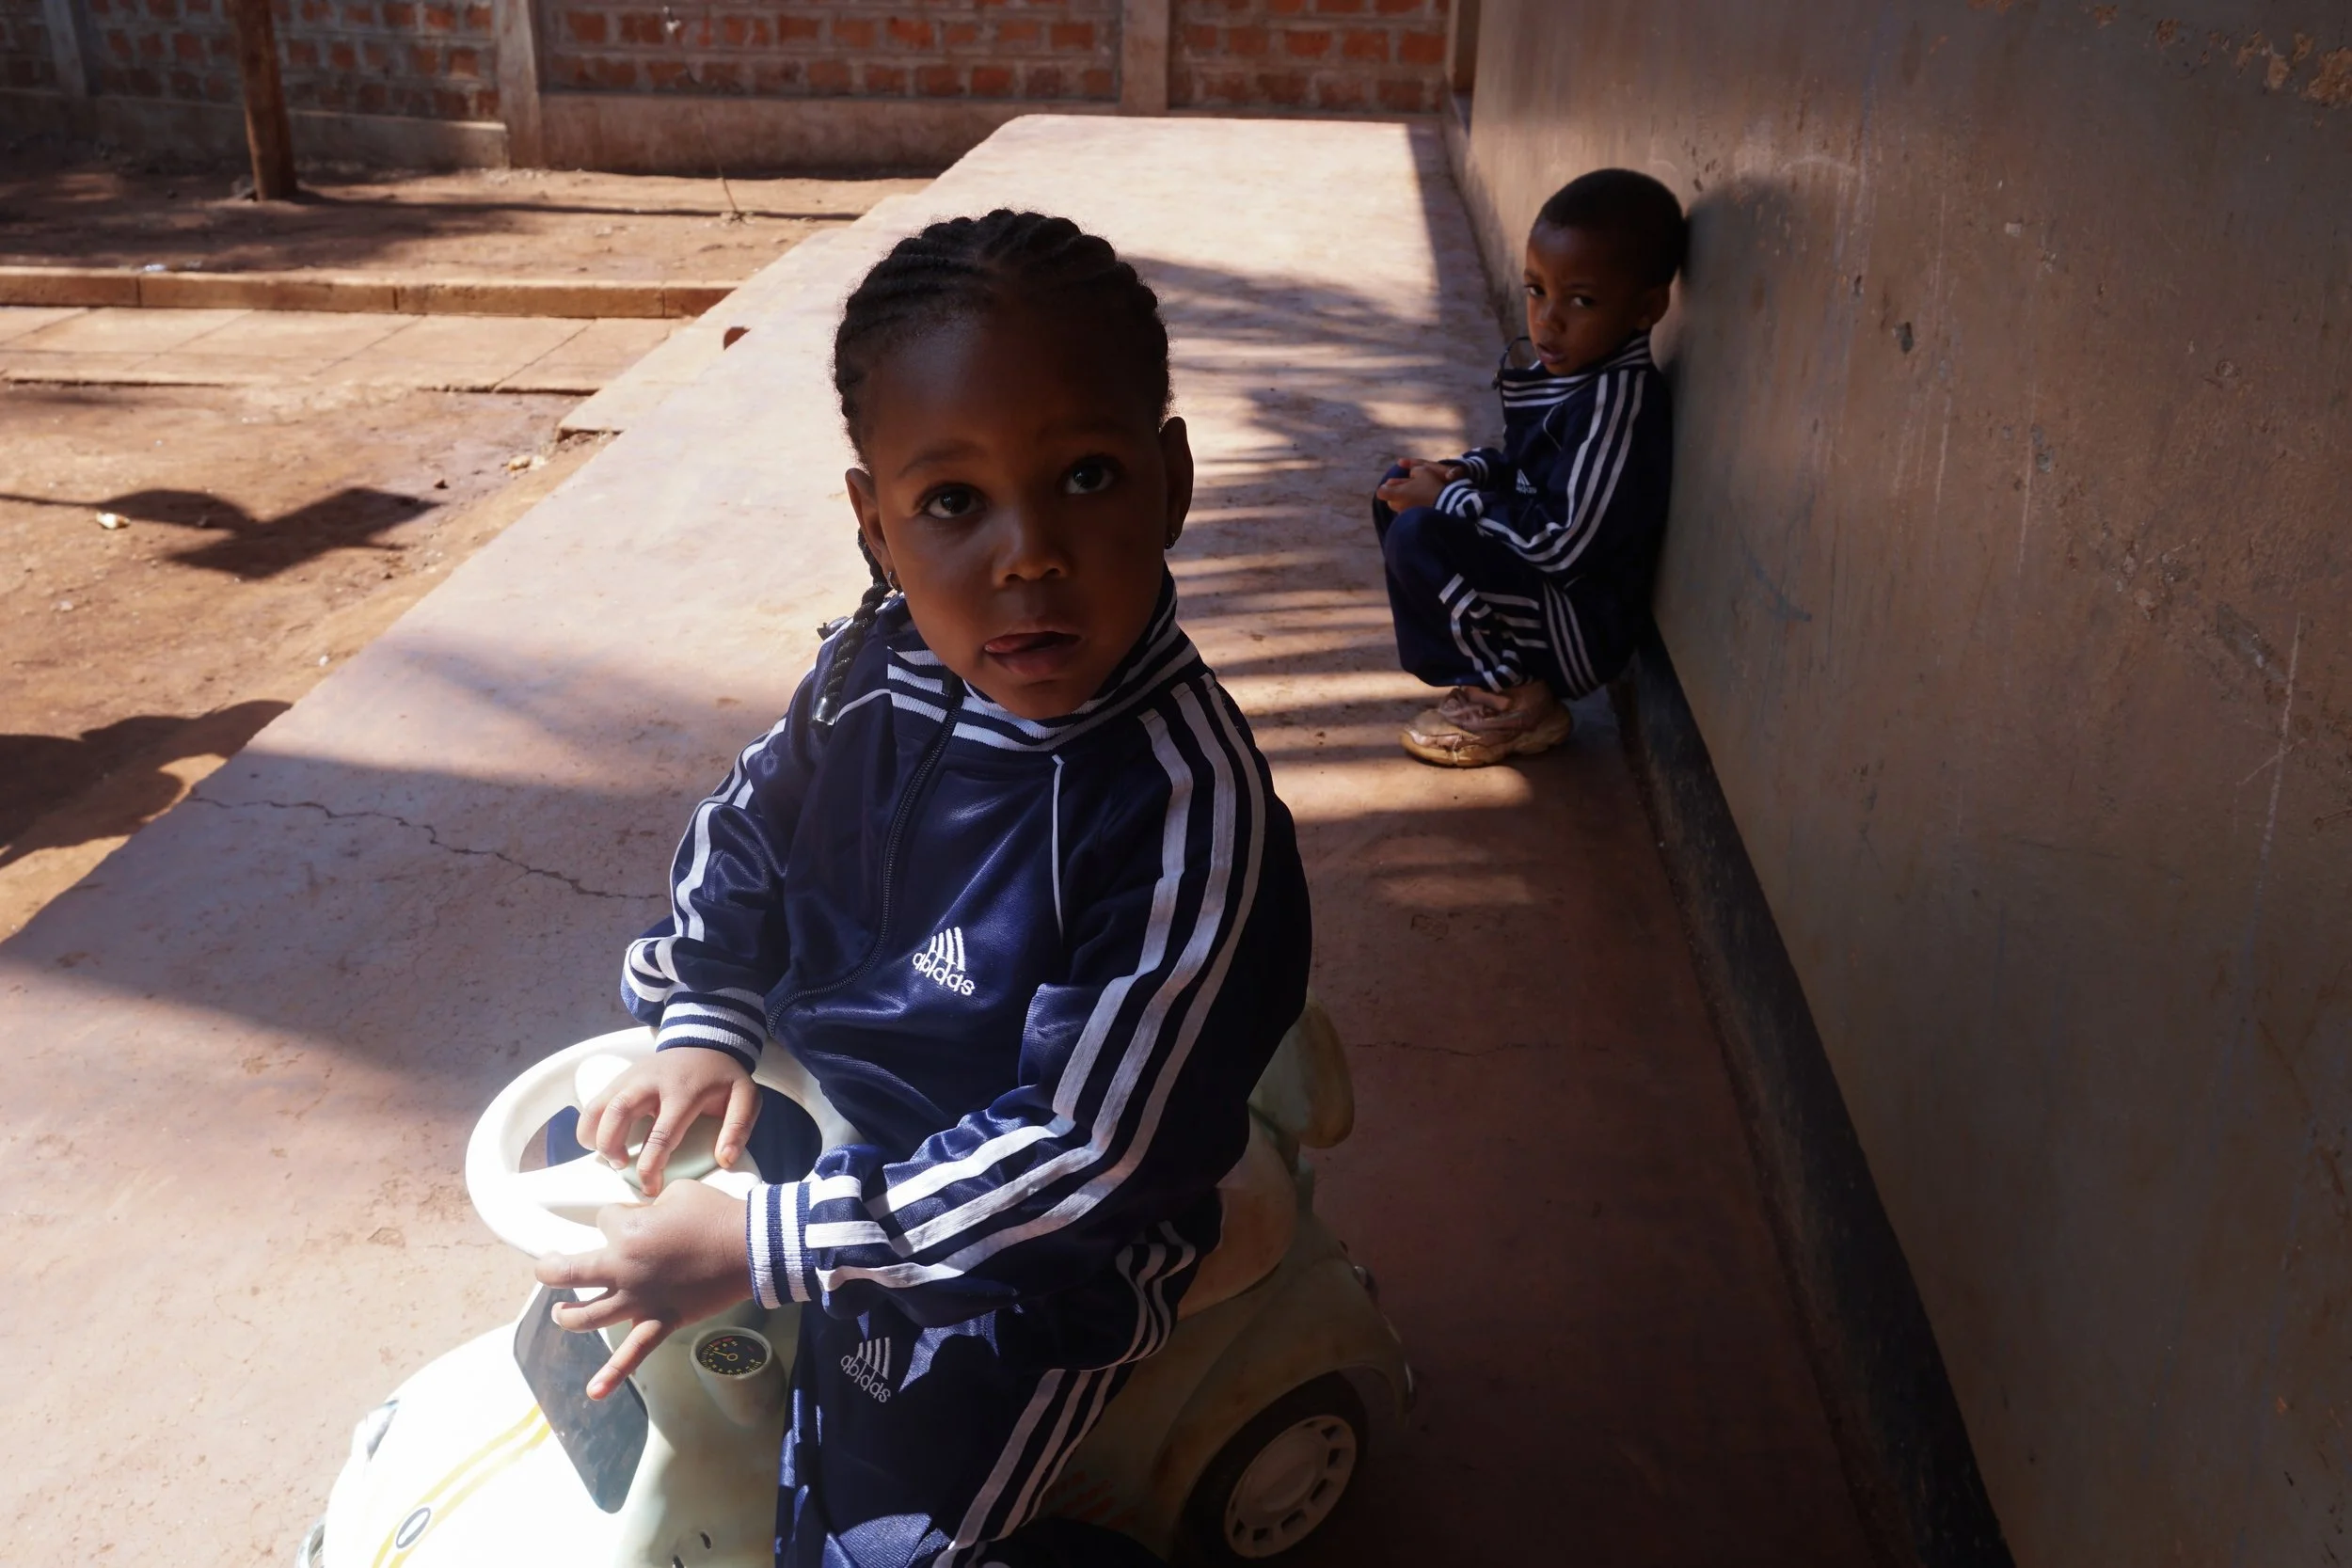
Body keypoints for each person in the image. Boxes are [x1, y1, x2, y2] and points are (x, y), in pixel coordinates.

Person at [529, 211, 1311, 1568]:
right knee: (587, 1163)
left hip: (1021, 1248)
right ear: (877, 522)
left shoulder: (1184, 808)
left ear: (1171, 480)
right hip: (839, 1119)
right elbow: (748, 832)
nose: (1026, 553)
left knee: (885, 1539)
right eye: (954, 500)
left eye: (1085, 475)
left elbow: (1084, 1159)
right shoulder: (869, 670)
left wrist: (775, 1236)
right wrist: (702, 1016)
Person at [1373, 168, 1686, 767]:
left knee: (1422, 528)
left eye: (1582, 300)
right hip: (1543, 594)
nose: (1548, 318)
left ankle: (1518, 701)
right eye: (1536, 290)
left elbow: (1564, 545)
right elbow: (1521, 472)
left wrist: (1449, 503)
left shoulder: (1616, 403)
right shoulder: (1571, 375)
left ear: (1648, 308)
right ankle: (1489, 679)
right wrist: (1463, 474)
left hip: (1579, 626)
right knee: (1397, 489)